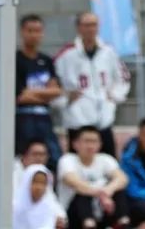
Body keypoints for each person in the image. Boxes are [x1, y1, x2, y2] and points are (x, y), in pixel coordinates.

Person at [53, 13, 130, 158]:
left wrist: (114, 96)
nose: (91, 29)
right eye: (87, 25)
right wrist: (65, 99)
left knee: (109, 163)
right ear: (78, 28)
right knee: (77, 164)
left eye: (94, 25)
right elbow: (53, 82)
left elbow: (123, 77)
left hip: (104, 119)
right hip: (78, 120)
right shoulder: (66, 55)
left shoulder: (109, 52)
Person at [55, 126, 130, 229]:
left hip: (101, 209)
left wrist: (108, 190)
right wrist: (101, 194)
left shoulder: (106, 159)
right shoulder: (67, 160)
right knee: (83, 192)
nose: (90, 145)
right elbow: (72, 181)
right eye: (86, 141)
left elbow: (122, 178)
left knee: (118, 190)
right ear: (75, 144)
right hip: (73, 214)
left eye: (94, 141)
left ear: (100, 144)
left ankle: (123, 222)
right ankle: (88, 223)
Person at [16, 14, 64, 171]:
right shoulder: (15, 59)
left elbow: (57, 91)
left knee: (53, 157)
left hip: (44, 118)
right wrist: (45, 93)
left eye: (38, 31)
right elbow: (20, 96)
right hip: (22, 118)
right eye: (30, 30)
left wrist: (32, 93)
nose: (34, 35)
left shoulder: (46, 60)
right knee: (23, 157)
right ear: (22, 32)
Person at [12, 164, 67, 229]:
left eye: (43, 183)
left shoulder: (51, 208)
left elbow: (63, 220)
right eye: (35, 182)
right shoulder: (14, 207)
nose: (39, 187)